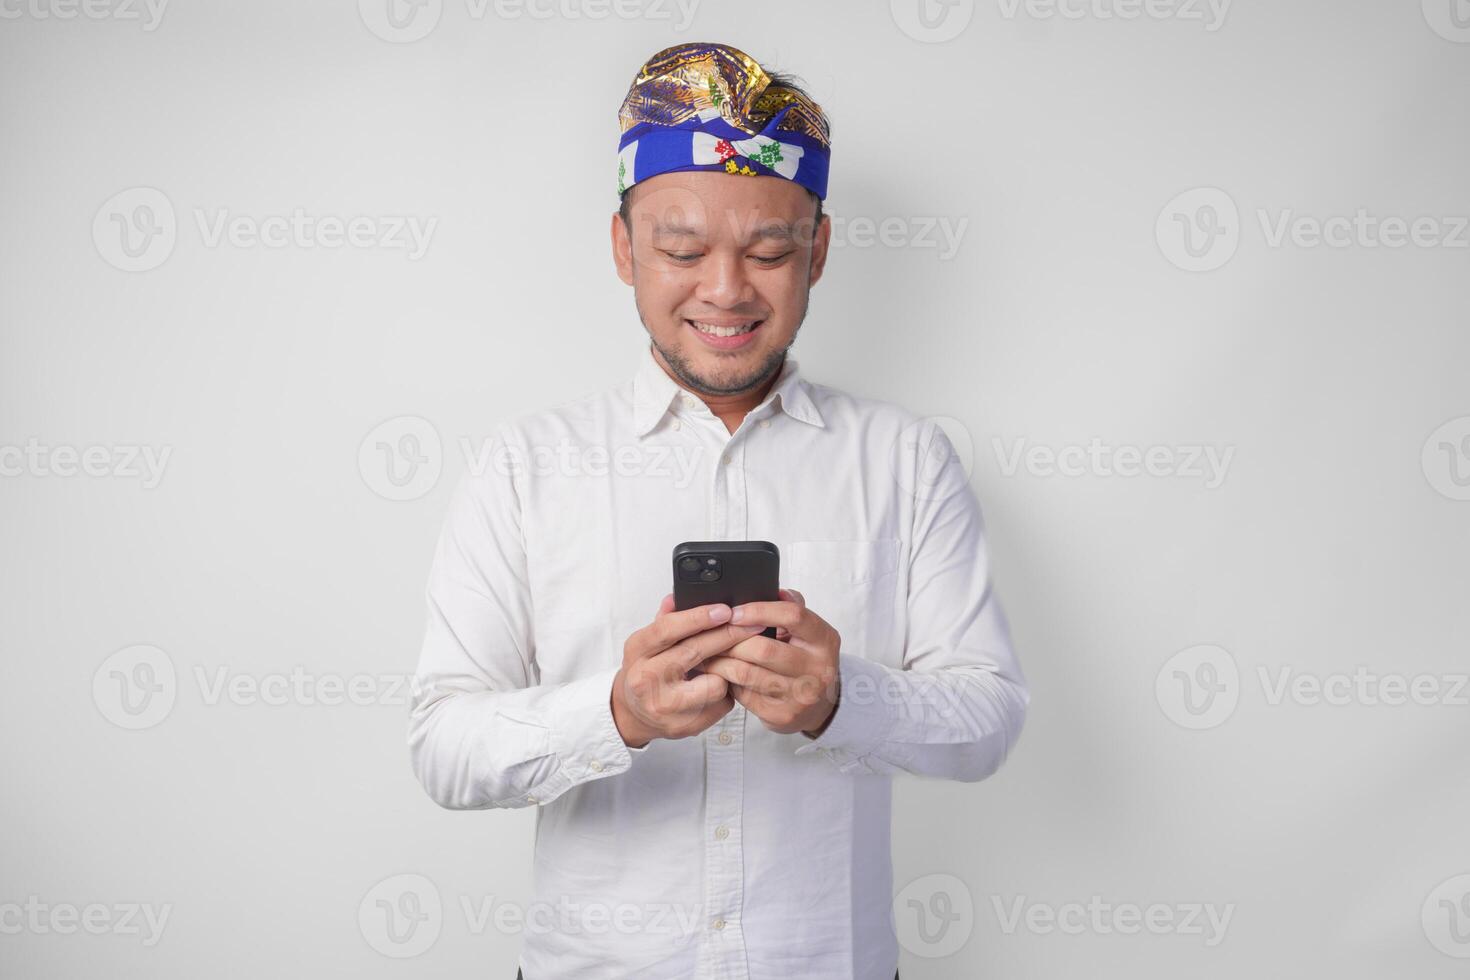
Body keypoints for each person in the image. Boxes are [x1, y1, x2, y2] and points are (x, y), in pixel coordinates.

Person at [407, 41, 1029, 980]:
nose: (727, 290)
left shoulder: (904, 461)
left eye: (771, 250)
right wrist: (615, 712)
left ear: (816, 251)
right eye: (682, 249)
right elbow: (443, 746)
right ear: (624, 249)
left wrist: (841, 698)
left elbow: (988, 718)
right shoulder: (524, 467)